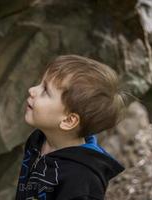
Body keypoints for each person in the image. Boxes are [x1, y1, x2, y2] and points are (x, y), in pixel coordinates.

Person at [15, 55, 128, 200]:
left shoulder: (80, 180)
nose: (32, 90)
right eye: (40, 84)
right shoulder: (38, 140)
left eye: (45, 91)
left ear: (69, 120)